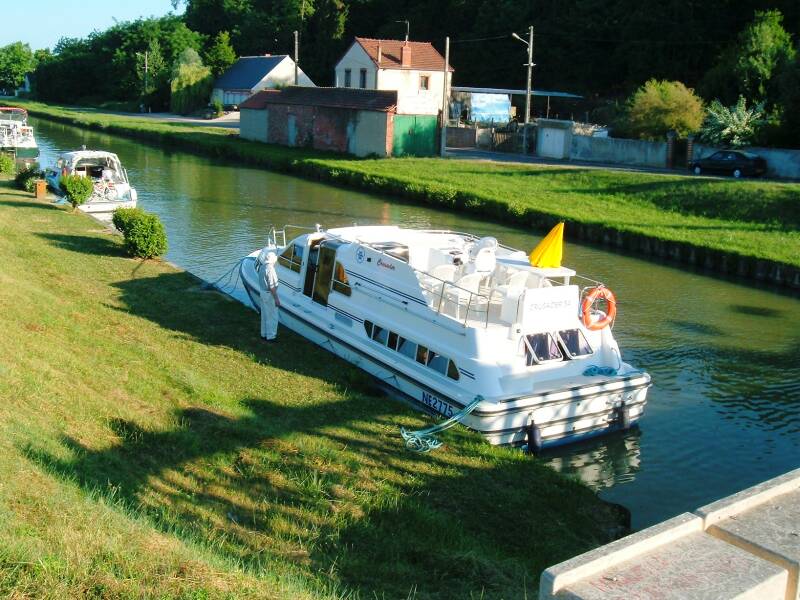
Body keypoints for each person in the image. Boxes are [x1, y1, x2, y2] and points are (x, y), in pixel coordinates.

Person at [258, 250, 280, 341]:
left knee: (264, 314)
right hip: (269, 294)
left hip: (263, 292)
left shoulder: (262, 267)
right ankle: (271, 336)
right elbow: (272, 286)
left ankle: (263, 333)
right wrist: (276, 299)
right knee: (272, 316)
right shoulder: (270, 269)